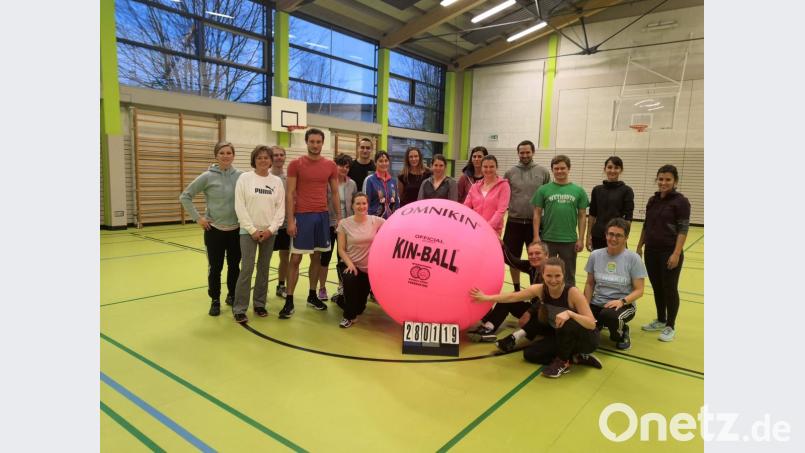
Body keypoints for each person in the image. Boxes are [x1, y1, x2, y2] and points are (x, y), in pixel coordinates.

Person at [471, 257, 601, 378]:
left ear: (564, 275)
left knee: (566, 322)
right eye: (549, 275)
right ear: (542, 275)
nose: (553, 280)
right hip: (562, 337)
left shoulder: (572, 293)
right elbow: (513, 297)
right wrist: (486, 298)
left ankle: (563, 362)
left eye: (557, 276)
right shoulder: (540, 290)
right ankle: (576, 357)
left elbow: (591, 324)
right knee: (531, 355)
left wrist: (570, 313)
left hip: (586, 339)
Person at [179, 141, 243, 316]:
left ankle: (232, 294)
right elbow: (185, 196)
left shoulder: (241, 176)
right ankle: (215, 299)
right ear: (216, 156)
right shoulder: (207, 176)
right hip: (213, 230)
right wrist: (198, 218)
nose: (225, 156)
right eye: (222, 153)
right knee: (215, 267)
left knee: (234, 266)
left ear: (233, 155)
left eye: (229, 152)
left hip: (236, 230)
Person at [283, 128, 341, 319]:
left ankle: (312, 295)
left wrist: (339, 218)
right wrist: (291, 220)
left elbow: (334, 193)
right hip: (302, 217)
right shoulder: (295, 164)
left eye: (318, 142)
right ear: (306, 142)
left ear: (322, 143)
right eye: (312, 141)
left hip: (322, 217)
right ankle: (289, 300)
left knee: (316, 258)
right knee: (296, 259)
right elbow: (290, 193)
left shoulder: (331, 165)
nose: (315, 145)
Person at [636, 164, 690, 342]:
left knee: (670, 289)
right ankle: (660, 319)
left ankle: (670, 326)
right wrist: (639, 246)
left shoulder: (681, 202)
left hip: (669, 252)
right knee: (657, 287)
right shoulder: (653, 200)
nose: (663, 182)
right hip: (651, 251)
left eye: (668, 179)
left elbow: (683, 229)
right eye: (661, 179)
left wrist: (676, 253)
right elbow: (646, 225)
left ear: (675, 181)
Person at [232, 146, 285, 323]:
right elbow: (240, 206)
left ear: (271, 161)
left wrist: (271, 229)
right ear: (254, 160)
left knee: (263, 269)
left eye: (266, 158)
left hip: (270, 233)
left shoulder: (277, 181)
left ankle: (259, 303)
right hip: (248, 232)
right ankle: (239, 307)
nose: (263, 160)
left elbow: (280, 209)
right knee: (247, 268)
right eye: (259, 157)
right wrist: (252, 230)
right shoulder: (245, 178)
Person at [583, 218, 646, 350]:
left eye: (618, 235)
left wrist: (622, 301)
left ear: (626, 238)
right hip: (597, 302)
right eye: (610, 234)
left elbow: (639, 290)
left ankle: (622, 333)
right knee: (581, 325)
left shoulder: (633, 259)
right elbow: (589, 283)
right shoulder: (595, 255)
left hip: (623, 304)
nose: (613, 239)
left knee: (609, 316)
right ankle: (598, 325)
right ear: (605, 235)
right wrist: (585, 306)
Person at [467, 241, 549, 342]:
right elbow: (512, 261)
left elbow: (547, 299)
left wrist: (529, 312)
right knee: (507, 300)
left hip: (547, 314)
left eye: (537, 253)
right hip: (535, 309)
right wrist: (502, 246)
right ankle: (489, 328)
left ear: (546, 255)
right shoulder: (531, 266)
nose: (533, 256)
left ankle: (535, 334)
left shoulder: (552, 272)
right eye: (530, 254)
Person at [531, 155, 589, 287]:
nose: (559, 171)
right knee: (544, 272)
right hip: (547, 239)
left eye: (563, 168)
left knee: (568, 274)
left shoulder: (578, 191)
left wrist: (580, 239)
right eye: (556, 168)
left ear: (569, 169)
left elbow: (582, 216)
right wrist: (536, 236)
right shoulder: (543, 190)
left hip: (569, 240)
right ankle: (543, 302)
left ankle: (568, 301)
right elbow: (537, 213)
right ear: (552, 170)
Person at [503, 140, 551, 293]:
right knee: (511, 258)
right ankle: (516, 289)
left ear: (533, 152)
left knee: (537, 259)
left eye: (527, 152)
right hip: (514, 222)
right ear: (518, 153)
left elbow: (547, 198)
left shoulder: (543, 172)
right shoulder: (510, 173)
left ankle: (534, 291)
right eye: (521, 152)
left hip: (534, 224)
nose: (524, 155)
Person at [335, 193, 385, 328]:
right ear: (352, 205)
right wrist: (350, 264)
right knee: (349, 277)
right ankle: (348, 317)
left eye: (364, 203)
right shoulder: (344, 224)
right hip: (351, 266)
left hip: (368, 271)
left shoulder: (376, 220)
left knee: (360, 308)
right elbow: (341, 249)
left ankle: (340, 299)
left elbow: (393, 226)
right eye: (358, 203)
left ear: (368, 205)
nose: (361, 206)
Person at [316, 154, 357, 302]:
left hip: (345, 226)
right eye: (341, 166)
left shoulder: (352, 184)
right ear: (335, 166)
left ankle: (342, 286)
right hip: (328, 224)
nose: (344, 169)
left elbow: (353, 206)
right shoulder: (327, 182)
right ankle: (321, 287)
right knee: (325, 258)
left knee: (343, 258)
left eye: (347, 167)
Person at [586, 156, 635, 251]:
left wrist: (624, 238)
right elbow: (592, 215)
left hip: (616, 237)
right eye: (609, 167)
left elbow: (628, 218)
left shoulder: (627, 191)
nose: (612, 170)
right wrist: (588, 235)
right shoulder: (597, 190)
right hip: (598, 236)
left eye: (616, 168)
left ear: (621, 170)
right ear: (604, 169)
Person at [463, 155, 510, 236]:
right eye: (485, 166)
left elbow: (501, 211)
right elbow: (466, 207)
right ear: (481, 168)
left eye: (491, 167)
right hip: (474, 229)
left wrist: (486, 228)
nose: (488, 169)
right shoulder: (475, 186)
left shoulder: (504, 186)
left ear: (496, 167)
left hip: (493, 231)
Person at [269, 145, 292, 299]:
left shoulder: (289, 179)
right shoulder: (265, 178)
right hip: (268, 226)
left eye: (281, 155)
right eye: (275, 155)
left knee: (285, 257)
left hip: (284, 225)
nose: (278, 157)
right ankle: (262, 288)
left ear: (284, 157)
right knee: (264, 259)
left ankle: (281, 285)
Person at [363, 151, 399, 219]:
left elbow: (396, 202)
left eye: (386, 161)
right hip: (374, 220)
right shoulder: (370, 180)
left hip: (390, 220)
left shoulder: (393, 181)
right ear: (375, 163)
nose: (384, 163)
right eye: (381, 161)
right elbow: (365, 202)